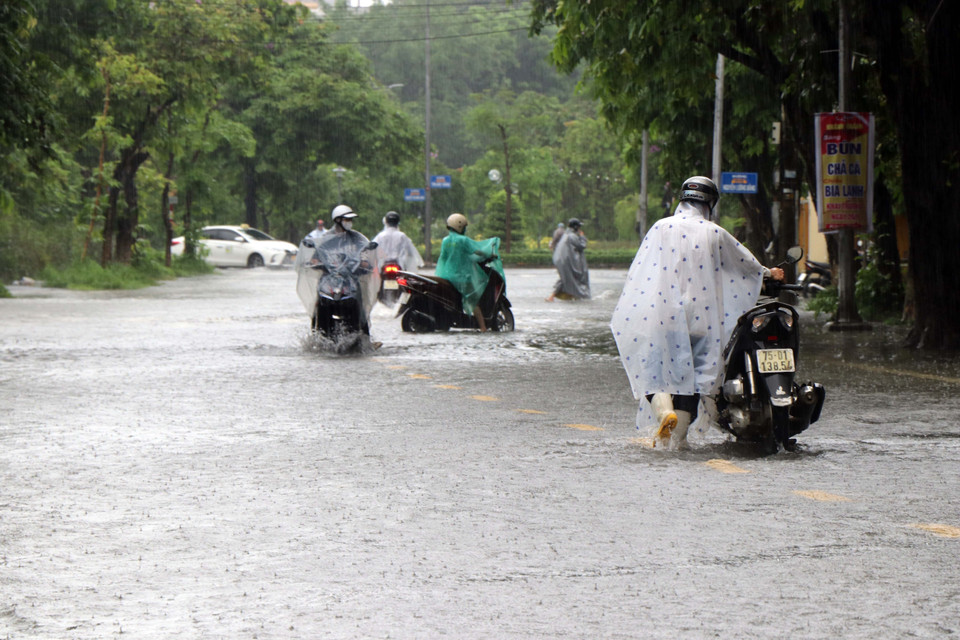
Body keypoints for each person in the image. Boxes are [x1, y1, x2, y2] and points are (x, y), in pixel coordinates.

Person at [610, 176, 784, 449]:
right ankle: (678, 441)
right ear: (710, 202)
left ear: (682, 198)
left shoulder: (660, 227)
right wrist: (769, 273)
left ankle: (662, 412)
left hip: (664, 315)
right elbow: (745, 265)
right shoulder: (714, 233)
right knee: (691, 380)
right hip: (702, 320)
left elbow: (641, 272)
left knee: (652, 369)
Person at [295, 204, 379, 335]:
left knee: (360, 306)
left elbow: (364, 254)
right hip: (328, 281)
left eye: (350, 220)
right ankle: (315, 336)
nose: (350, 223)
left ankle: (365, 338)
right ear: (338, 220)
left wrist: (365, 263)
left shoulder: (357, 238)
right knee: (319, 306)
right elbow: (315, 258)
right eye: (347, 220)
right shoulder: (325, 239)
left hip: (350, 280)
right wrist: (314, 263)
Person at [434, 213, 505, 333]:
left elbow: (444, 258)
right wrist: (490, 254)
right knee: (473, 301)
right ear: (460, 226)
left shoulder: (445, 241)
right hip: (462, 277)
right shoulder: (463, 240)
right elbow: (477, 250)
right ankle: (483, 327)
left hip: (447, 276)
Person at [546, 217, 590, 301]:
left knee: (565, 278)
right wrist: (582, 237)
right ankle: (553, 297)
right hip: (568, 263)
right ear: (576, 227)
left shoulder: (565, 235)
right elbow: (581, 246)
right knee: (567, 279)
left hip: (563, 262)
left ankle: (564, 296)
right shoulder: (572, 236)